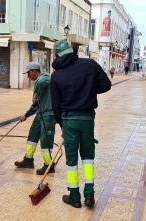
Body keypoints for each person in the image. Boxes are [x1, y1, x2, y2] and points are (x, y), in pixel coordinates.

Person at [50, 40, 111, 208]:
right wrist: (88, 90)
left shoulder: (56, 75)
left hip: (69, 119)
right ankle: (89, 195)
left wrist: (61, 124)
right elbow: (106, 85)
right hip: (87, 119)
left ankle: (74, 196)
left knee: (71, 158)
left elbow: (55, 104)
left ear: (56, 55)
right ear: (72, 51)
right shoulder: (90, 64)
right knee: (88, 156)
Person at [14, 62, 56, 175]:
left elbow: (44, 80)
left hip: (49, 114)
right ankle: (28, 160)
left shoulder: (44, 77)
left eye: (28, 73)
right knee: (33, 134)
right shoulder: (38, 81)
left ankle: (49, 165)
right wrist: (26, 115)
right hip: (41, 113)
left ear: (34, 71)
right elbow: (36, 104)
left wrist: (37, 92)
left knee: (45, 139)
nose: (27, 76)